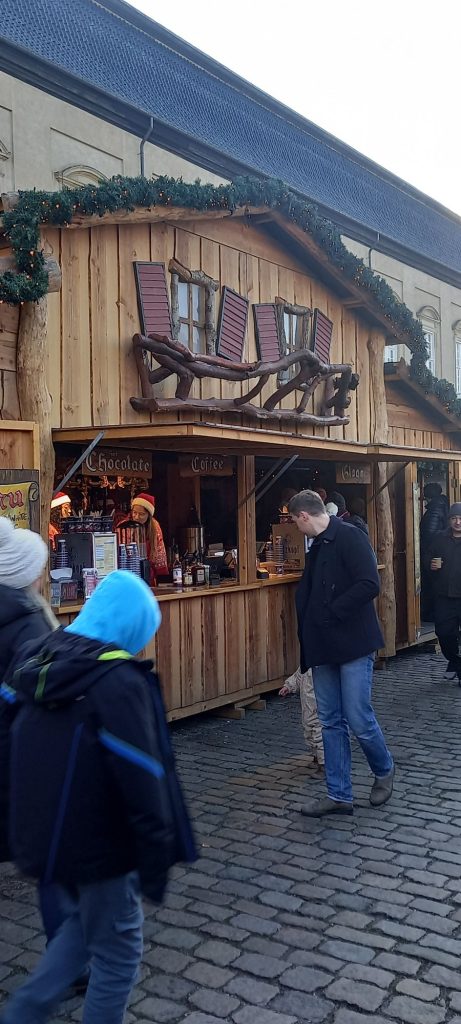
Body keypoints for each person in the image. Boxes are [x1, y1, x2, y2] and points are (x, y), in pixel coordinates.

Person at [0, 569, 196, 1024]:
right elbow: (144, 776)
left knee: (82, 927)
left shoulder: (35, 658)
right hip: (100, 844)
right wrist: (155, 858)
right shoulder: (117, 683)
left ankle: (23, 1012)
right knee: (119, 950)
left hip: (46, 836)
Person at [0, 517, 88, 998]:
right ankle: (72, 959)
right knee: (56, 858)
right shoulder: (30, 623)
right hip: (25, 756)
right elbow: (37, 695)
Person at [287, 489, 394, 817]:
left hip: (354, 643)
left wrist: (333, 612)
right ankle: (338, 794)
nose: (297, 528)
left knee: (358, 717)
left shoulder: (350, 536)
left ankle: (384, 769)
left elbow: (369, 583)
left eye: (295, 522)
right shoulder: (317, 545)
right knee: (330, 721)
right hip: (323, 646)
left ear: (304, 516)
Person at [427, 502, 461, 682]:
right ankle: (455, 661)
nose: (457, 522)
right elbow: (427, 557)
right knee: (444, 632)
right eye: (454, 518)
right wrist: (431, 564)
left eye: (460, 518)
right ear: (449, 520)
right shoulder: (440, 538)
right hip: (444, 595)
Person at [279, 667, 324, 771]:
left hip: (319, 707)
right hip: (307, 707)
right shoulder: (306, 665)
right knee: (309, 732)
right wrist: (288, 686)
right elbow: (298, 676)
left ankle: (324, 763)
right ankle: (316, 757)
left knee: (319, 734)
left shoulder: (322, 667)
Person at [420, 483, 449, 621]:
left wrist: (426, 555)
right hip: (438, 554)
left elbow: (430, 535)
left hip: (432, 555)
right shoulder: (442, 506)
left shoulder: (434, 510)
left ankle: (430, 614)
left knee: (430, 585)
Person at [126, 492, 168, 583]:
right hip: (129, 575)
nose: (136, 517)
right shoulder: (125, 527)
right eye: (134, 512)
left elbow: (160, 556)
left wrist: (162, 580)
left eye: (141, 514)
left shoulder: (155, 528)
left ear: (149, 515)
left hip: (148, 576)